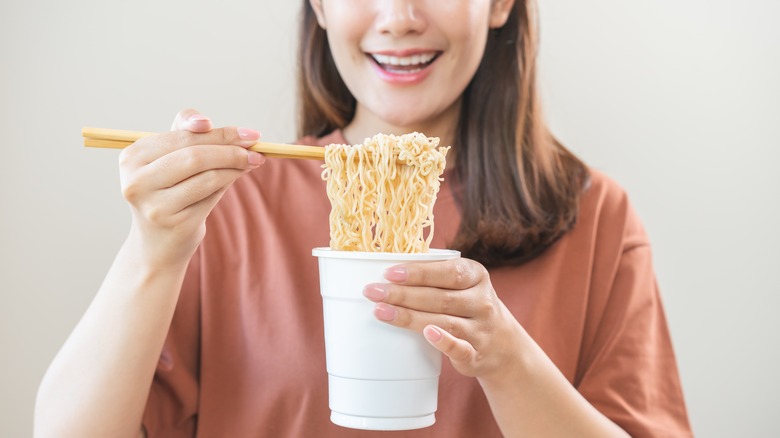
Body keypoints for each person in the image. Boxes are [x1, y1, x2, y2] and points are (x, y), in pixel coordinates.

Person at [34, 0, 693, 437]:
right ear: (318, 4)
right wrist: (153, 250)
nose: (398, 17)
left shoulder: (595, 217)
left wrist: (506, 358)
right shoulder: (228, 205)